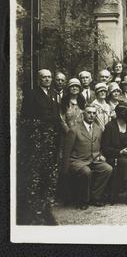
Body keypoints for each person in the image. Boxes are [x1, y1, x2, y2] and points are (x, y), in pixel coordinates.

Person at [18, 69, 64, 224]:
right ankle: (33, 214)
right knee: (35, 178)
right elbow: (26, 120)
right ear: (38, 79)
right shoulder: (32, 95)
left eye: (49, 77)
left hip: (53, 143)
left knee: (49, 178)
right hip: (38, 144)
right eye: (44, 77)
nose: (47, 79)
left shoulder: (53, 94)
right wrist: (40, 133)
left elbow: (57, 118)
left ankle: (46, 210)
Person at [62, 104, 113, 210]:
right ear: (83, 114)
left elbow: (101, 146)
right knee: (86, 172)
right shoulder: (74, 130)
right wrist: (65, 169)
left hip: (94, 159)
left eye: (94, 113)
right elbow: (67, 151)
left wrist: (101, 155)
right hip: (78, 160)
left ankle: (95, 196)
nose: (91, 115)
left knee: (107, 169)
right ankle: (83, 200)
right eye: (89, 113)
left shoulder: (98, 129)